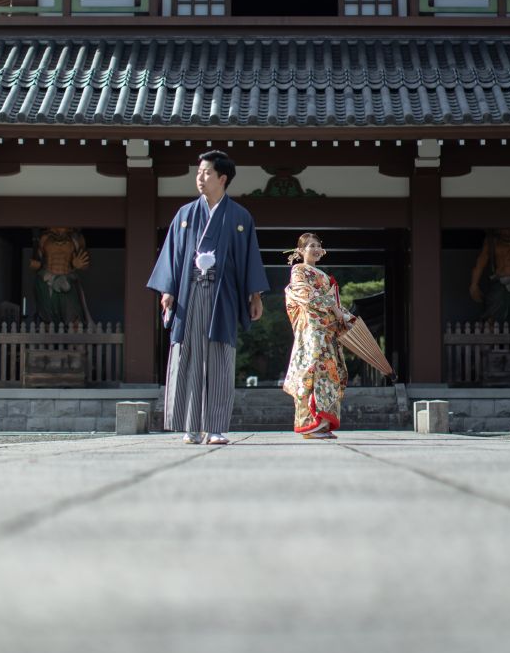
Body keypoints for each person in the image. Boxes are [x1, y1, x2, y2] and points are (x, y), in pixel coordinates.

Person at [147, 151, 268, 445]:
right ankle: (189, 426)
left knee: (220, 358)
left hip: (222, 293)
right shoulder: (185, 215)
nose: (199, 178)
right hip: (188, 292)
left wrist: (255, 295)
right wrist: (167, 291)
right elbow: (173, 255)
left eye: (206, 173)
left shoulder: (240, 217)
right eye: (198, 173)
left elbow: (248, 257)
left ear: (222, 178)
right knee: (188, 355)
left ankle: (215, 427)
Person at [283, 232, 354, 440]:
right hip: (312, 330)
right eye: (310, 245)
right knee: (312, 369)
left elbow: (336, 305)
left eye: (317, 245)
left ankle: (323, 423)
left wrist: (346, 317)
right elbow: (305, 295)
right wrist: (333, 307)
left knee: (329, 371)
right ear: (300, 251)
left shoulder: (323, 275)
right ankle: (311, 424)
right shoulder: (299, 270)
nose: (314, 248)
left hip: (327, 331)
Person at [29, 227, 93, 325]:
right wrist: (36, 264)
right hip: (47, 281)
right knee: (47, 322)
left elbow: (86, 264)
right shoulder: (44, 236)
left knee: (74, 321)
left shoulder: (76, 236)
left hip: (67, 281)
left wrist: (77, 265)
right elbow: (35, 263)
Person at [469, 228, 510, 323]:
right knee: (491, 315)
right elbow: (481, 261)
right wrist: (474, 285)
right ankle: (490, 336)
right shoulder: (491, 240)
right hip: (500, 280)